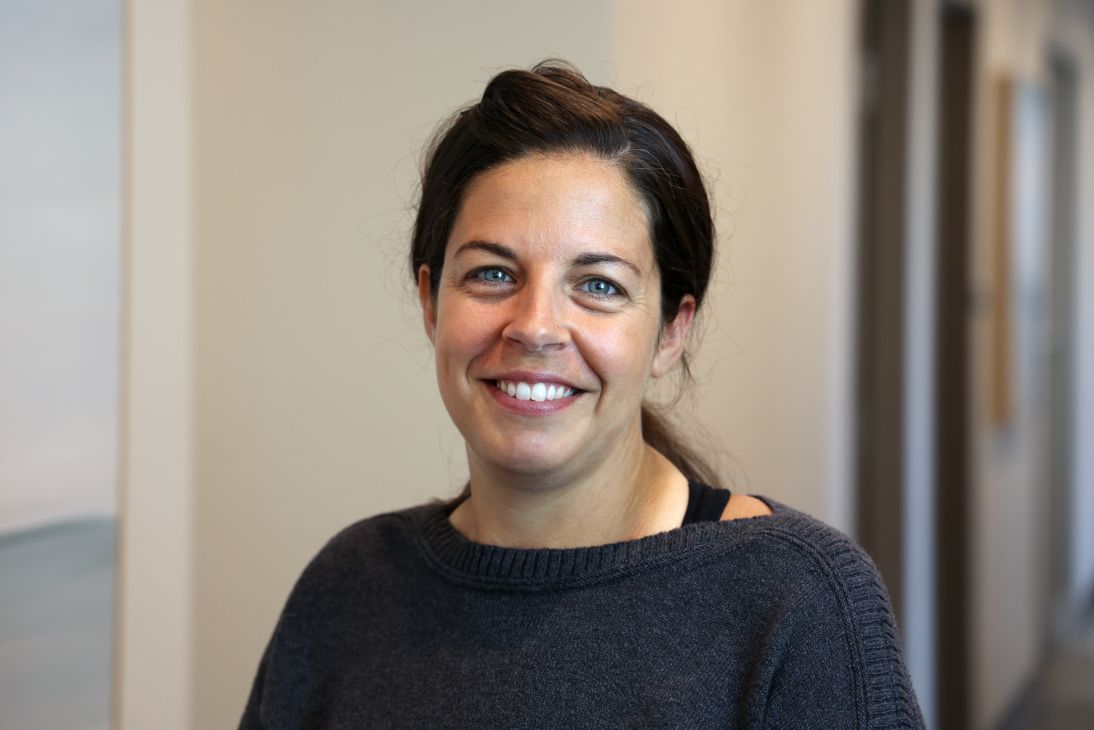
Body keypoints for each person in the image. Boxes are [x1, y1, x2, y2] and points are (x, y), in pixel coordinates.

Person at [240, 61, 925, 729]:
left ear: (671, 332)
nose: (535, 326)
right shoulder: (348, 591)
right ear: (430, 301)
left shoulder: (798, 601)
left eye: (599, 285)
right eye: (491, 273)